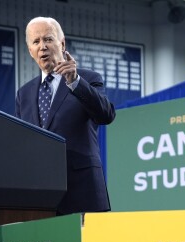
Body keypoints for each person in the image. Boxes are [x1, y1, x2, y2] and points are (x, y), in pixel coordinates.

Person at [15, 17, 116, 216]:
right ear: (30, 51)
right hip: (40, 196)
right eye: (36, 42)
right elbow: (21, 143)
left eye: (48, 39)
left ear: (62, 44)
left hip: (82, 191)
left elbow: (106, 114)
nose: (42, 47)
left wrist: (75, 82)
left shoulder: (88, 79)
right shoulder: (23, 94)